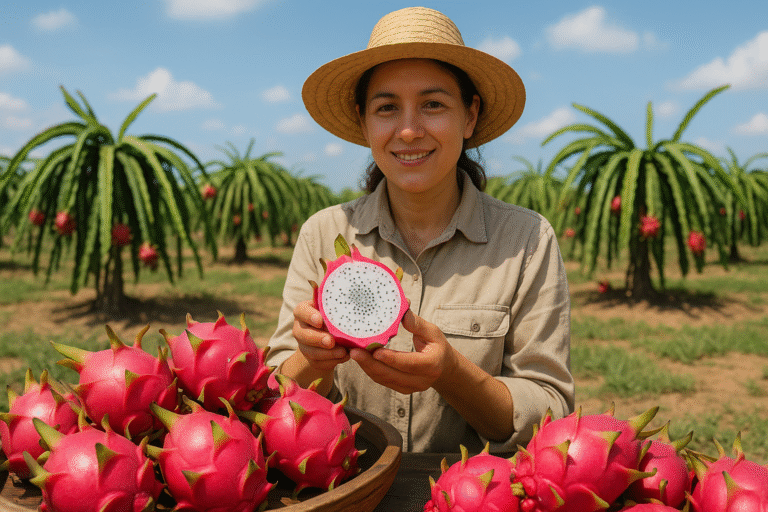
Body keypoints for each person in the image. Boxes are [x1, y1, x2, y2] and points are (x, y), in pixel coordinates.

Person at [267, 6, 574, 454]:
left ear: (469, 117)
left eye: (433, 104)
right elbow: (275, 395)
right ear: (364, 121)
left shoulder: (527, 242)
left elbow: (550, 411)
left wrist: (452, 374)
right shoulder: (323, 233)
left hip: (472, 494)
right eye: (387, 108)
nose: (409, 130)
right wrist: (310, 362)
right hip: (351, 490)